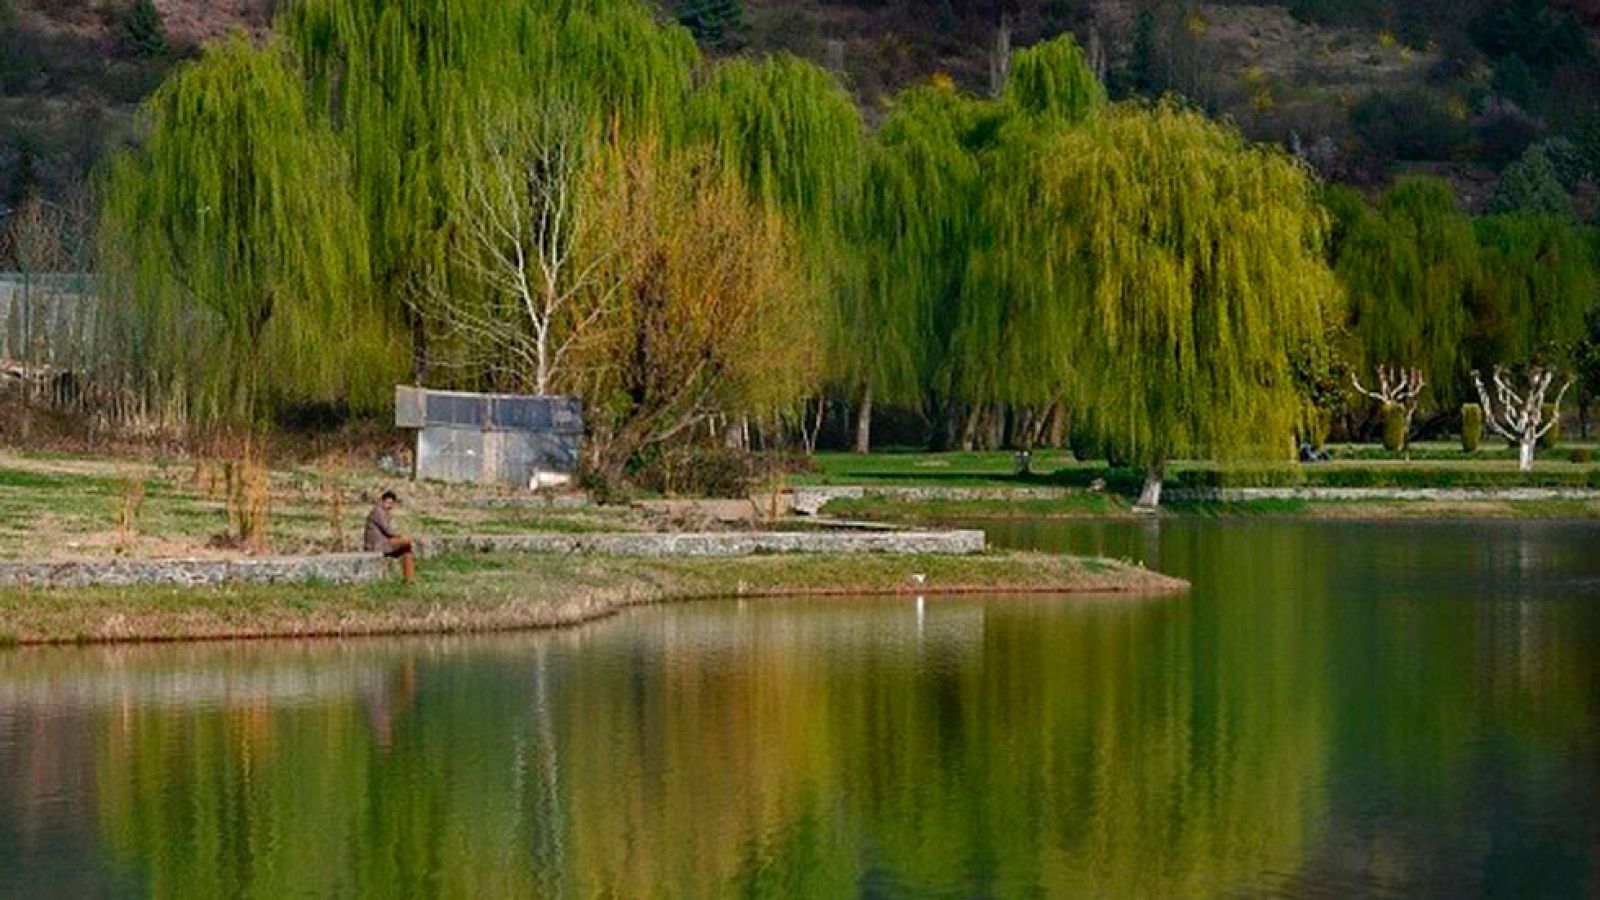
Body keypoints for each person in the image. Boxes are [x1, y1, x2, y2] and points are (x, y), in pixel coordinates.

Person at [365, 490, 415, 582]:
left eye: (391, 503)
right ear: (382, 501)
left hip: (384, 542)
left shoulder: (383, 512)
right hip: (377, 545)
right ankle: (409, 577)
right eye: (388, 503)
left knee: (407, 549)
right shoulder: (377, 512)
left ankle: (410, 578)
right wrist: (399, 536)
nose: (390, 506)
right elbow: (388, 530)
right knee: (406, 540)